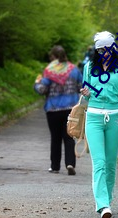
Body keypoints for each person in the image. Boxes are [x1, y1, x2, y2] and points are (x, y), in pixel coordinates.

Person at [80, 31, 118, 218]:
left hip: (115, 119)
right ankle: (102, 205)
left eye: (107, 49)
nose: (104, 53)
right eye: (100, 50)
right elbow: (86, 97)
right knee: (99, 163)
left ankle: (107, 201)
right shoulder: (89, 67)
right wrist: (85, 92)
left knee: (111, 164)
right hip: (93, 118)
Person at [34, 45, 82, 175]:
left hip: (53, 109)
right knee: (69, 136)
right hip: (70, 109)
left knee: (55, 138)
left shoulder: (49, 71)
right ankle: (70, 163)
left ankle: (55, 167)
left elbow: (42, 90)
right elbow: (81, 87)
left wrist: (37, 83)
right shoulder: (74, 70)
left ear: (53, 57)